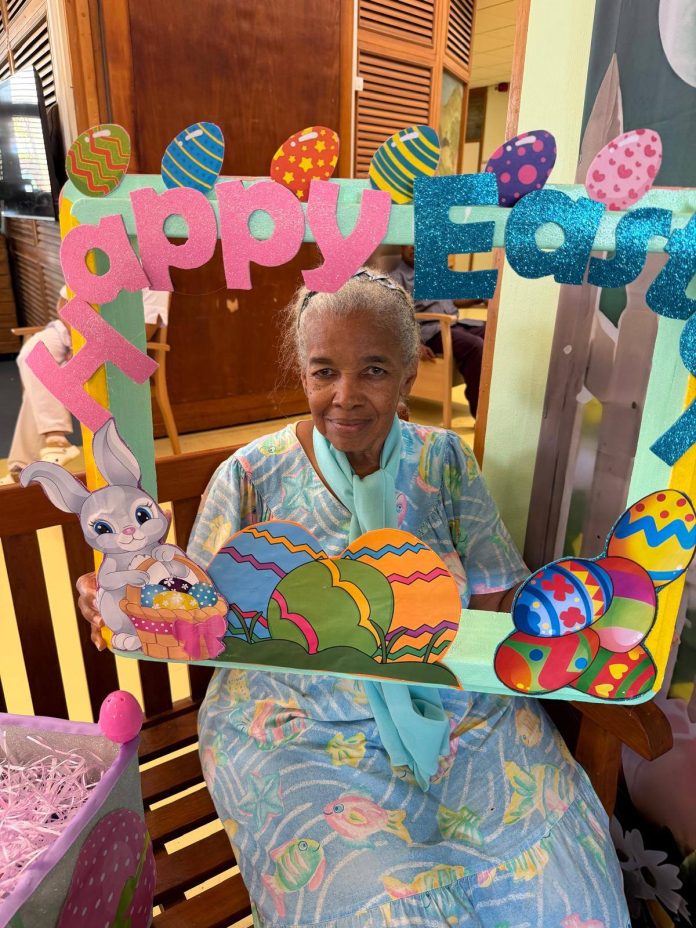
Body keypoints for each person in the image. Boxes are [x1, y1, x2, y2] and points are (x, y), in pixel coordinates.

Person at [78, 268, 629, 927]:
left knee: (569, 897)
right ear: (304, 374)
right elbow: (195, 607)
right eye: (324, 372)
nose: (345, 396)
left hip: (459, 707)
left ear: (407, 375)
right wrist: (122, 597)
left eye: (373, 370)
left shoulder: (444, 462)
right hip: (292, 721)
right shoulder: (250, 475)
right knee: (383, 911)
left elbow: (496, 593)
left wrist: (571, 618)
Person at [2, 287, 170, 483]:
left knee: (44, 378)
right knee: (31, 355)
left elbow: (145, 329)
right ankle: (52, 443)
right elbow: (64, 302)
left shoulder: (152, 279)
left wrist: (89, 345)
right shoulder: (92, 264)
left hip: (111, 346)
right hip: (69, 332)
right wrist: (78, 341)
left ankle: (28, 463)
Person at [389, 245, 486, 417]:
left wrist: (478, 298)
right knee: (475, 346)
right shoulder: (397, 278)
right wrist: (415, 344)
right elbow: (395, 318)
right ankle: (480, 413)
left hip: (455, 324)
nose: (413, 248)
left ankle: (491, 401)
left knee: (491, 333)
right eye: (408, 244)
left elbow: (452, 301)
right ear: (401, 246)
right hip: (432, 331)